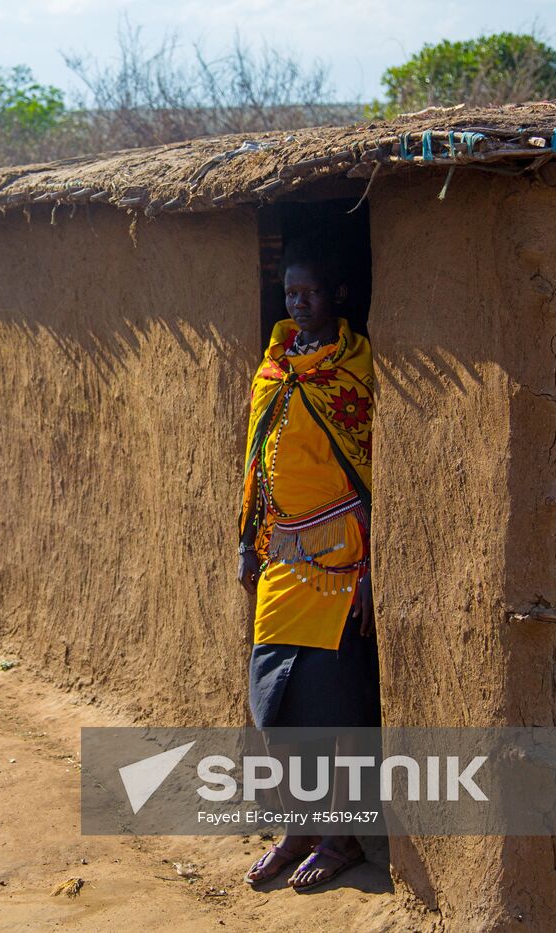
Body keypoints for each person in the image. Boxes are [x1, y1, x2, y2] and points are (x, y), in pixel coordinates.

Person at [238, 237, 378, 891]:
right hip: (282, 558)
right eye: (291, 293)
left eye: (311, 293)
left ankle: (340, 834)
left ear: (337, 296)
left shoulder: (350, 369)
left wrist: (376, 567)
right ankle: (297, 825)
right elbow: (256, 458)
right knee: (276, 703)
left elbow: (371, 468)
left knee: (334, 706)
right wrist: (247, 539)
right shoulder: (274, 368)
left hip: (339, 557)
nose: (299, 304)